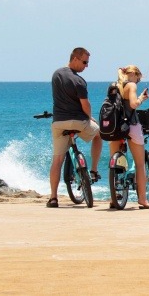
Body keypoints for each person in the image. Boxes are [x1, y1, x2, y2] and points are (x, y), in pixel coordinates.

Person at [47, 47, 103, 208]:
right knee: (99, 135)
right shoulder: (79, 81)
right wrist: (90, 117)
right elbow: (85, 105)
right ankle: (93, 170)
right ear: (75, 58)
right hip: (78, 121)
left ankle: (53, 198)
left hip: (59, 122)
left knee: (57, 160)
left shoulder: (56, 74)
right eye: (85, 62)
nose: (86, 66)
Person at [109, 65, 149, 209]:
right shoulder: (131, 85)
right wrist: (142, 98)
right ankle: (142, 199)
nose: (138, 81)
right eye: (139, 78)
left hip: (115, 126)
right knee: (140, 164)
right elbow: (134, 104)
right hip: (131, 125)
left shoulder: (113, 86)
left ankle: (113, 199)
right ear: (134, 74)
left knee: (114, 163)